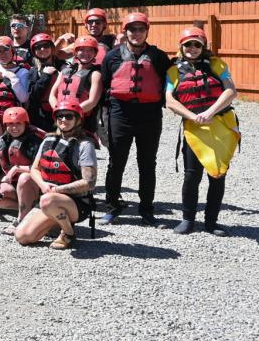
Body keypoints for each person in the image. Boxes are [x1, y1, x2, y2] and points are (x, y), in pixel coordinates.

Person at [165, 26, 240, 236]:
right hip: (193, 128)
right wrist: (192, 116)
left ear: (203, 46)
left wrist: (209, 112)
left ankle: (211, 222)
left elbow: (230, 90)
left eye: (197, 44)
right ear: (181, 46)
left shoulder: (217, 65)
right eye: (188, 44)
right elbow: (169, 100)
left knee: (217, 174)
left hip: (219, 124)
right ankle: (188, 219)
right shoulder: (173, 71)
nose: (192, 48)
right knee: (191, 176)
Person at [99, 12, 171, 226]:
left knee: (147, 164)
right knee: (116, 162)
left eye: (141, 29)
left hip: (149, 115)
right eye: (132, 29)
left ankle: (147, 210)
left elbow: (170, 84)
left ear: (147, 31)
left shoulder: (158, 57)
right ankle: (112, 207)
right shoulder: (112, 56)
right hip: (120, 113)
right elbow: (103, 86)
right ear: (125, 31)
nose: (137, 33)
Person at [14, 99, 98, 250]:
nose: (64, 120)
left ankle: (68, 234)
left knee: (47, 200)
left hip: (77, 204)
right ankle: (54, 221)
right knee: (23, 236)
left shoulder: (85, 145)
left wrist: (57, 191)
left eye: (69, 116)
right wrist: (43, 185)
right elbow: (34, 169)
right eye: (60, 116)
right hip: (50, 198)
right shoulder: (48, 139)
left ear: (78, 119)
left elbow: (89, 182)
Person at [0, 106, 45, 223]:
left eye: (18, 123)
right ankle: (30, 210)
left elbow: (42, 168)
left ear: (25, 124)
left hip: (34, 187)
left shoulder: (34, 141)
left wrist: (16, 169)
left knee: (24, 177)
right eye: (10, 124)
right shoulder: (3, 141)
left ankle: (21, 220)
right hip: (15, 186)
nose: (14, 128)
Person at [49, 36, 104, 134]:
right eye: (81, 50)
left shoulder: (95, 74)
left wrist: (72, 115)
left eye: (90, 50)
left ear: (95, 53)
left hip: (81, 120)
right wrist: (59, 112)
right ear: (75, 52)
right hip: (61, 117)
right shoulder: (64, 71)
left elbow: (92, 101)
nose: (85, 53)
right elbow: (52, 95)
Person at [25, 33, 60, 132]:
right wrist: (45, 76)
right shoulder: (33, 71)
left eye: (46, 46)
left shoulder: (62, 66)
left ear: (52, 48)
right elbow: (32, 94)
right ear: (34, 51)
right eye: (38, 47)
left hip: (60, 114)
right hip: (40, 117)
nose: (42, 49)